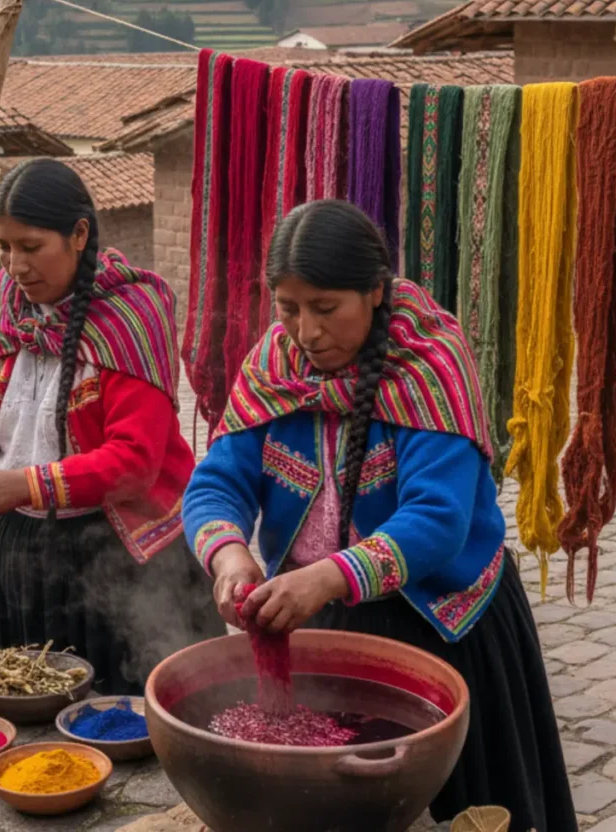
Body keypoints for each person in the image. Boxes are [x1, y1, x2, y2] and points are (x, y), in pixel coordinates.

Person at [182, 200, 574, 832]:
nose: (305, 332)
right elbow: (215, 484)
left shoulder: (431, 364)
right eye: (287, 309)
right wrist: (229, 556)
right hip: (322, 613)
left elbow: (438, 521)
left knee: (464, 804)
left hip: (444, 626)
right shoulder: (274, 367)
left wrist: (326, 577)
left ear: (375, 291)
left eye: (326, 308)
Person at [0, 158, 222, 694]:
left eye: (30, 247)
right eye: (3, 246)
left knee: (114, 716)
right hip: (9, 549)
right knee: (18, 707)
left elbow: (135, 461)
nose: (14, 265)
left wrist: (26, 484)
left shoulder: (131, 316)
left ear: (78, 234)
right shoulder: (3, 307)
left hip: (115, 553)